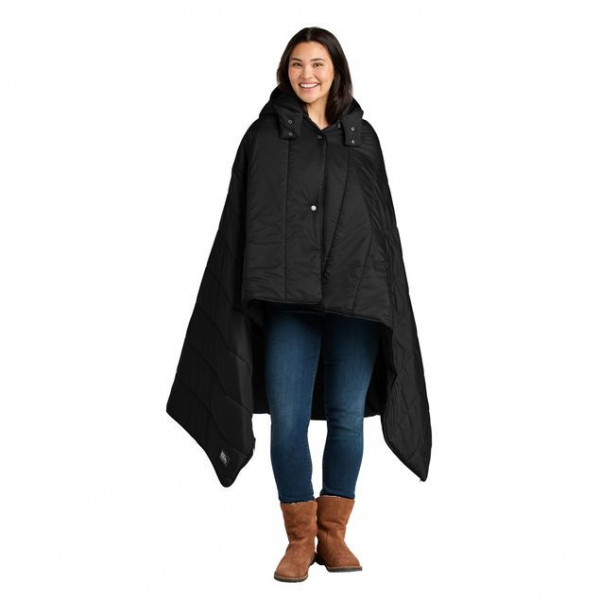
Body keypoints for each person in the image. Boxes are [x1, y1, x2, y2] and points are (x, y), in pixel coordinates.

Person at [165, 25, 432, 584]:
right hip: (288, 303)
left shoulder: (364, 138)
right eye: (296, 65)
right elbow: (244, 222)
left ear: (336, 70)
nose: (306, 75)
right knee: (288, 422)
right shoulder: (262, 136)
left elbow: (382, 230)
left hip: (356, 303)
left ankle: (333, 536)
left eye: (317, 64)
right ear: (285, 71)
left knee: (347, 420)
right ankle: (298, 539)